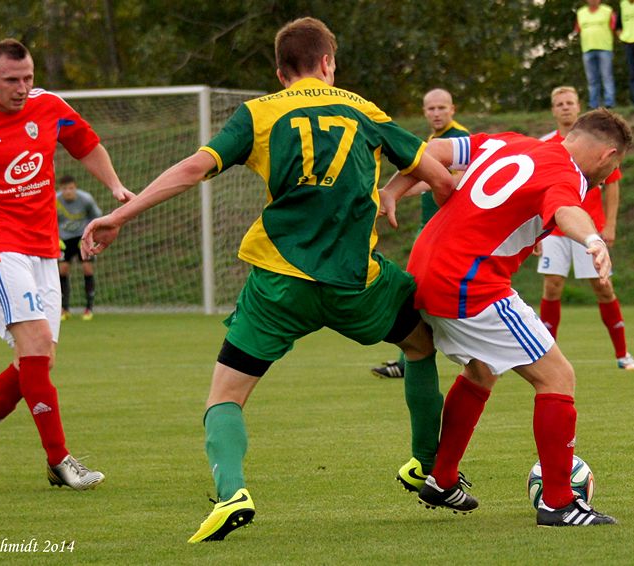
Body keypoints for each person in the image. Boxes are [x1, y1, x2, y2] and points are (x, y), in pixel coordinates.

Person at [80, 17, 456, 543]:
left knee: (225, 398)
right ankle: (426, 467)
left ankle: (233, 491)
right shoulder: (364, 110)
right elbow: (441, 178)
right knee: (419, 346)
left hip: (279, 287)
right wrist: (394, 194)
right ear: (329, 63)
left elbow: (193, 168)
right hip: (358, 283)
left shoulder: (257, 113)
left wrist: (120, 216)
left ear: (281, 73)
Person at [378, 108, 631, 525]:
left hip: (425, 269)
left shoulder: (511, 142)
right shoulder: (567, 175)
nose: (606, 177)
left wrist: (393, 189)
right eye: (614, 166)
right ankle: (558, 503)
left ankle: (441, 479)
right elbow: (567, 209)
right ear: (606, 156)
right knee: (557, 377)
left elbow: (432, 150)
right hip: (469, 283)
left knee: (481, 372)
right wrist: (592, 238)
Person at [0, 39, 134, 489]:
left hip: (42, 246)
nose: (22, 88)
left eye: (28, 78)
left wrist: (117, 189)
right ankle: (61, 461)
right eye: (11, 80)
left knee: (35, 362)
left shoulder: (48, 106)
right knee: (37, 341)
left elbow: (86, 144)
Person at [536, 86, 634, 371]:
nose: (565, 107)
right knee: (552, 286)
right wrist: (535, 229)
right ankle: (546, 356)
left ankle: (623, 354)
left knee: (603, 287)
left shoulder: (598, 145)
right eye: (560, 103)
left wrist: (610, 224)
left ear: (578, 107)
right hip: (555, 228)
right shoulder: (547, 143)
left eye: (570, 102)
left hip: (588, 228)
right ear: (553, 109)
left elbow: (613, 184)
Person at [371, 88, 469, 379]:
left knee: (418, 291)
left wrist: (396, 193)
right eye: (431, 109)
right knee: (419, 292)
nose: (436, 113)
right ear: (424, 112)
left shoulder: (457, 137)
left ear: (453, 108)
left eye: (441, 107)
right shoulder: (434, 140)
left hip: (449, 229)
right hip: (432, 228)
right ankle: (413, 357)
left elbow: (456, 179)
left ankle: (412, 359)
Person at [56, 175, 102, 321]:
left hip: (82, 238)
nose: (68, 191)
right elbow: (49, 220)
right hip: (64, 240)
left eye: (71, 188)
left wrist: (89, 237)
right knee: (62, 270)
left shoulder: (86, 199)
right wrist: (56, 239)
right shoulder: (54, 201)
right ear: (60, 189)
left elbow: (97, 218)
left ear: (75, 187)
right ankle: (64, 308)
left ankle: (89, 308)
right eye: (64, 189)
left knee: (87, 268)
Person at [575, 0, 617, 108]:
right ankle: (593, 104)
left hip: (604, 48)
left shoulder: (607, 11)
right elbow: (578, 29)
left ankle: (609, 103)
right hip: (587, 49)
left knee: (606, 76)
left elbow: (615, 27)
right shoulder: (581, 13)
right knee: (592, 79)